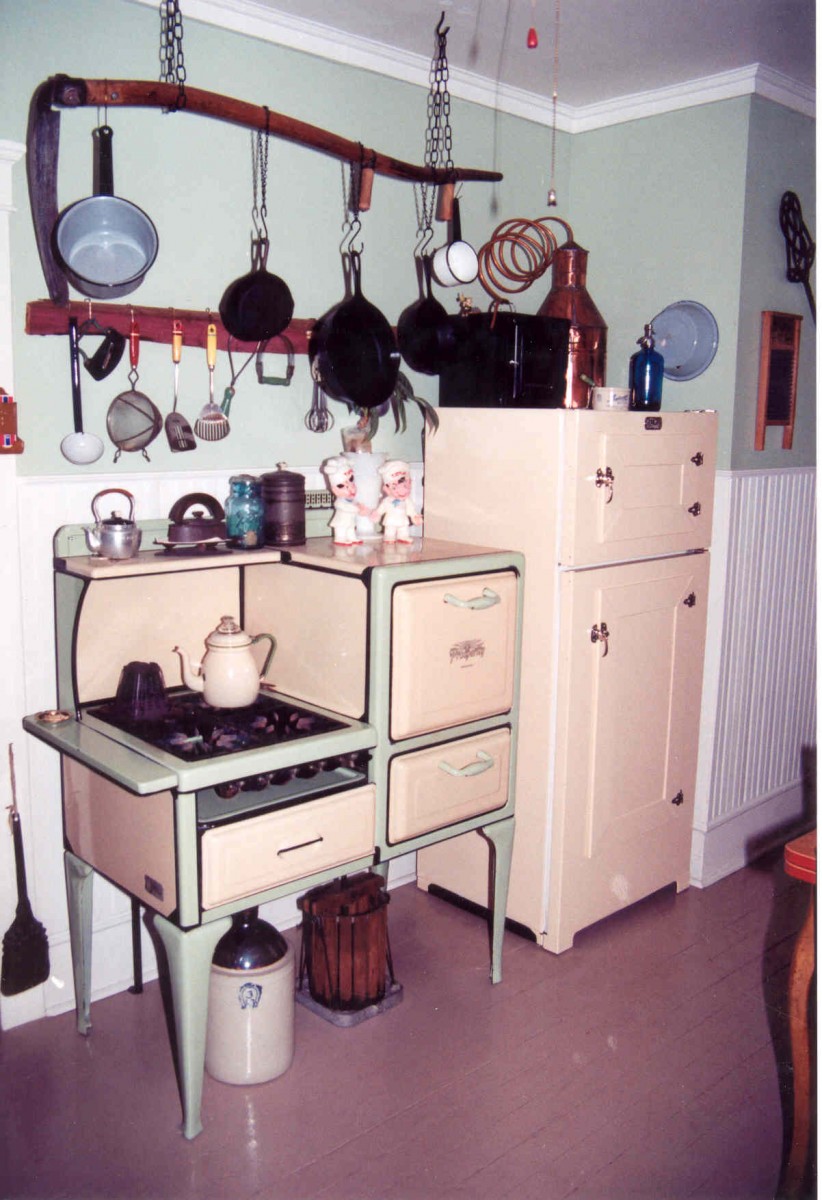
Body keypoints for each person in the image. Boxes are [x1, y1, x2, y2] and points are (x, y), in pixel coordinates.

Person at [321, 456, 370, 545]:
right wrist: (358, 508)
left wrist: (360, 506)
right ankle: (340, 538)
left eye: (352, 483)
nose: (351, 489)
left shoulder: (352, 500)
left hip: (350, 520)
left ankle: (352, 537)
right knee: (341, 529)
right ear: (335, 490)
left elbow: (355, 505)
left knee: (351, 528)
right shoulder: (339, 502)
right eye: (343, 486)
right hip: (341, 521)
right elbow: (349, 508)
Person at [372, 459, 422, 544]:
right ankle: (389, 537)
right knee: (390, 531)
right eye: (394, 488)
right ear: (386, 489)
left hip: (403, 520)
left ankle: (403, 537)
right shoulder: (387, 501)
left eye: (406, 486)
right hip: (390, 521)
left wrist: (414, 516)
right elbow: (381, 509)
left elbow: (411, 510)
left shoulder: (407, 501)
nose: (402, 491)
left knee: (404, 529)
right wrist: (377, 514)